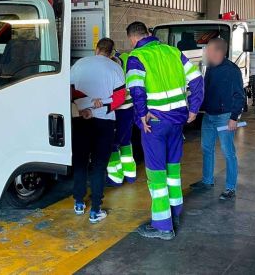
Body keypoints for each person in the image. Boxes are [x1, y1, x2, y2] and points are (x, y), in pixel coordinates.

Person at [125, 22, 204, 240]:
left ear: (132, 39)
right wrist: (194, 108)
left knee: (156, 174)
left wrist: (142, 114)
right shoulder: (173, 52)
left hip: (155, 123)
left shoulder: (136, 57)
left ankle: (162, 226)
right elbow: (197, 79)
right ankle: (175, 213)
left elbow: (137, 89)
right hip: (177, 122)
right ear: (148, 33)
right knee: (173, 170)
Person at [71, 37, 126, 224]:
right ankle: (95, 210)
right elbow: (120, 97)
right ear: (111, 52)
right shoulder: (115, 68)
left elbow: (68, 89)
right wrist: (101, 104)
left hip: (80, 119)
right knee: (99, 166)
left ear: (96, 49)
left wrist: (85, 106)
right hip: (105, 122)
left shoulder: (79, 64)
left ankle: (79, 203)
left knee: (80, 162)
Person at [190, 38, 245, 200]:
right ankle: (207, 181)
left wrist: (234, 118)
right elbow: (206, 90)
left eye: (209, 50)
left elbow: (239, 95)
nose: (206, 53)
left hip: (225, 117)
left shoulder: (232, 70)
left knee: (228, 152)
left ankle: (230, 188)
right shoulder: (211, 68)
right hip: (209, 115)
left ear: (219, 52)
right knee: (206, 148)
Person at [106, 50, 138, 186]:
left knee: (112, 144)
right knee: (126, 142)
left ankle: (116, 177)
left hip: (117, 112)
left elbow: (111, 97)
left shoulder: (111, 73)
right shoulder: (126, 67)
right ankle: (130, 174)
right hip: (129, 111)